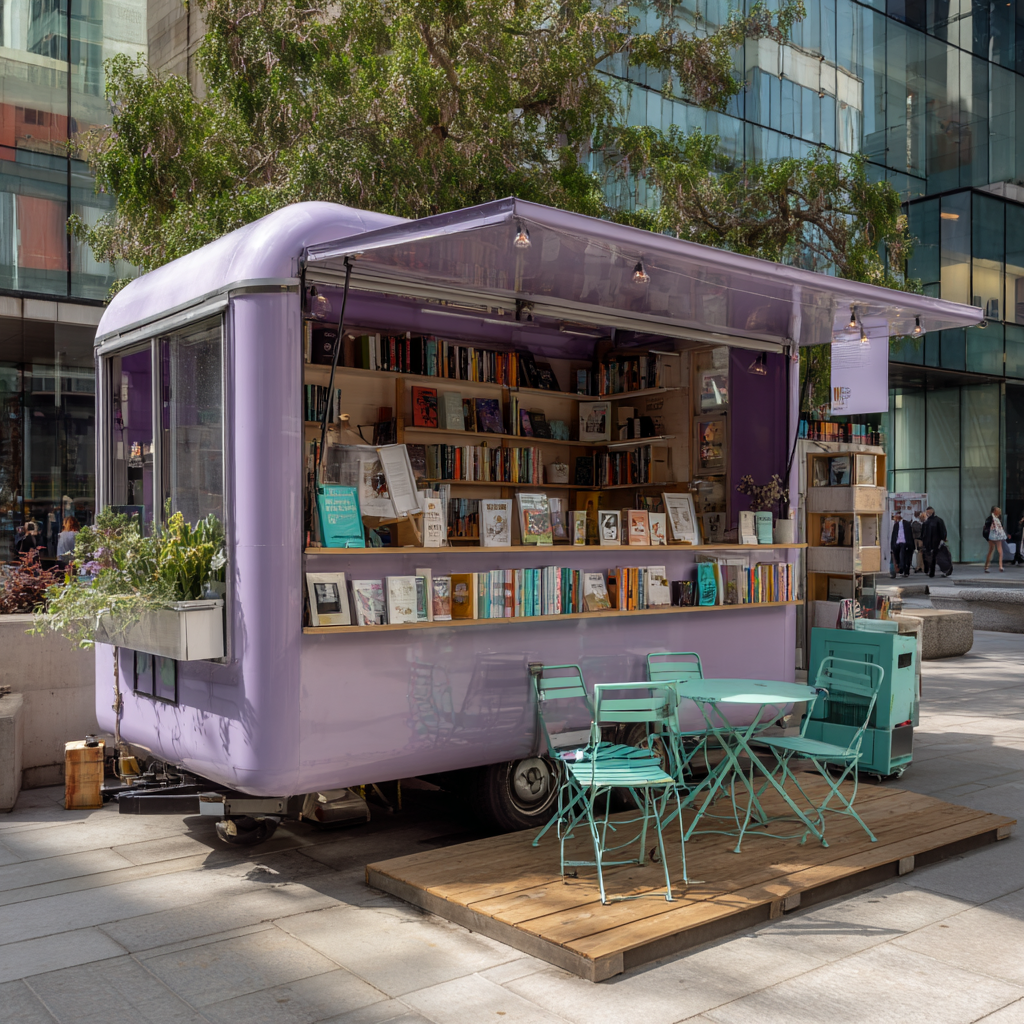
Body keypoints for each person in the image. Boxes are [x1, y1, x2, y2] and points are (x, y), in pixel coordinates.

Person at [921, 506, 951, 578]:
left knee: (933, 557)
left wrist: (942, 538)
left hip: (934, 542)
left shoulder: (934, 521)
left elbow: (942, 531)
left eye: (928, 512)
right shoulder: (930, 522)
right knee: (931, 557)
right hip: (932, 542)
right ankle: (930, 571)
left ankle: (931, 571)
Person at [983, 505, 1007, 573]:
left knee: (998, 551)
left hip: (997, 536)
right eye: (997, 511)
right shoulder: (991, 519)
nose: (998, 512)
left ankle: (1000, 566)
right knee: (992, 550)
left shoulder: (997, 519)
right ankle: (987, 566)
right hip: (992, 536)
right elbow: (986, 528)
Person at [890, 512, 912, 578]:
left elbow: (909, 534)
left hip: (904, 542)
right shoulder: (896, 525)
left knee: (903, 556)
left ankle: (903, 569)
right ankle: (900, 568)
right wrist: (892, 544)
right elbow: (894, 535)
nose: (894, 518)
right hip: (897, 543)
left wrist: (910, 544)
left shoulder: (907, 524)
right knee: (897, 557)